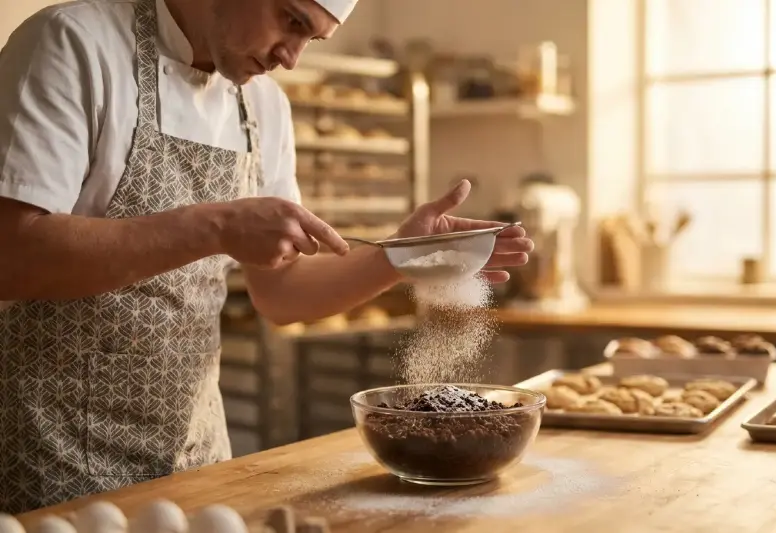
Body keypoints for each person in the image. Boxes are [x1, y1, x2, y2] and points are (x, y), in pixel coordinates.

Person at [0, 0, 534, 513]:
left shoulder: (262, 104)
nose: (292, 56)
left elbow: (279, 292)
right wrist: (217, 225)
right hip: (55, 463)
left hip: (194, 464)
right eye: (291, 20)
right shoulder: (73, 45)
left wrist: (400, 258)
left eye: (312, 37)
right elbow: (11, 255)